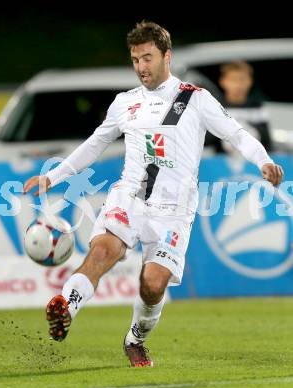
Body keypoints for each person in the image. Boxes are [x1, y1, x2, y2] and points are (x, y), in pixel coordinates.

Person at [23, 21, 283, 367]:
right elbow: (95, 144)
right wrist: (52, 178)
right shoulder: (124, 103)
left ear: (167, 56)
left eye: (148, 58)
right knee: (103, 251)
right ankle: (65, 308)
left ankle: (135, 338)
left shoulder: (195, 98)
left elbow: (236, 134)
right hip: (129, 198)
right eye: (135, 60)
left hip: (174, 211)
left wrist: (263, 161)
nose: (141, 68)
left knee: (153, 283)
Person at [206, 61, 273, 154]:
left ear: (250, 81)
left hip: (252, 163)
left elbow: (267, 142)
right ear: (223, 81)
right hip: (221, 164)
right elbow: (205, 141)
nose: (238, 84)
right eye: (233, 79)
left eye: (242, 79)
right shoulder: (214, 107)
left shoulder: (257, 108)